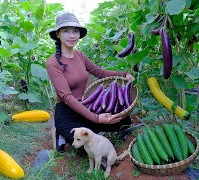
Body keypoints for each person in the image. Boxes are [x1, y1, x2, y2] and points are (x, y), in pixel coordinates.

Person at [46, 12, 135, 154]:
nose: (72, 35)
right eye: (66, 31)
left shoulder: (80, 55)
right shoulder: (52, 63)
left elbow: (100, 73)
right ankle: (60, 133)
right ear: (58, 34)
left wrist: (125, 74)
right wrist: (96, 118)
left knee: (122, 121)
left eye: (75, 31)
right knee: (85, 148)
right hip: (67, 112)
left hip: (86, 106)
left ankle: (88, 127)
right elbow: (66, 97)